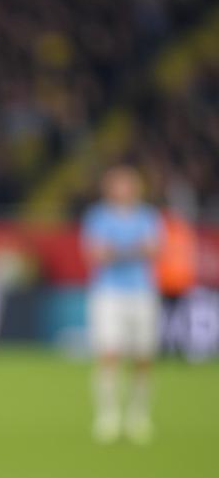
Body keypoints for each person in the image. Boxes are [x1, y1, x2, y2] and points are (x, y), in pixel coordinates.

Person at [80, 166, 163, 443]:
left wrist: (117, 250)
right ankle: (108, 417)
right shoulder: (98, 216)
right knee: (109, 353)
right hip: (108, 293)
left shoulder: (147, 216)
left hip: (142, 292)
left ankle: (138, 416)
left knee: (143, 357)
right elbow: (97, 255)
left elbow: (154, 251)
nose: (123, 190)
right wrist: (133, 249)